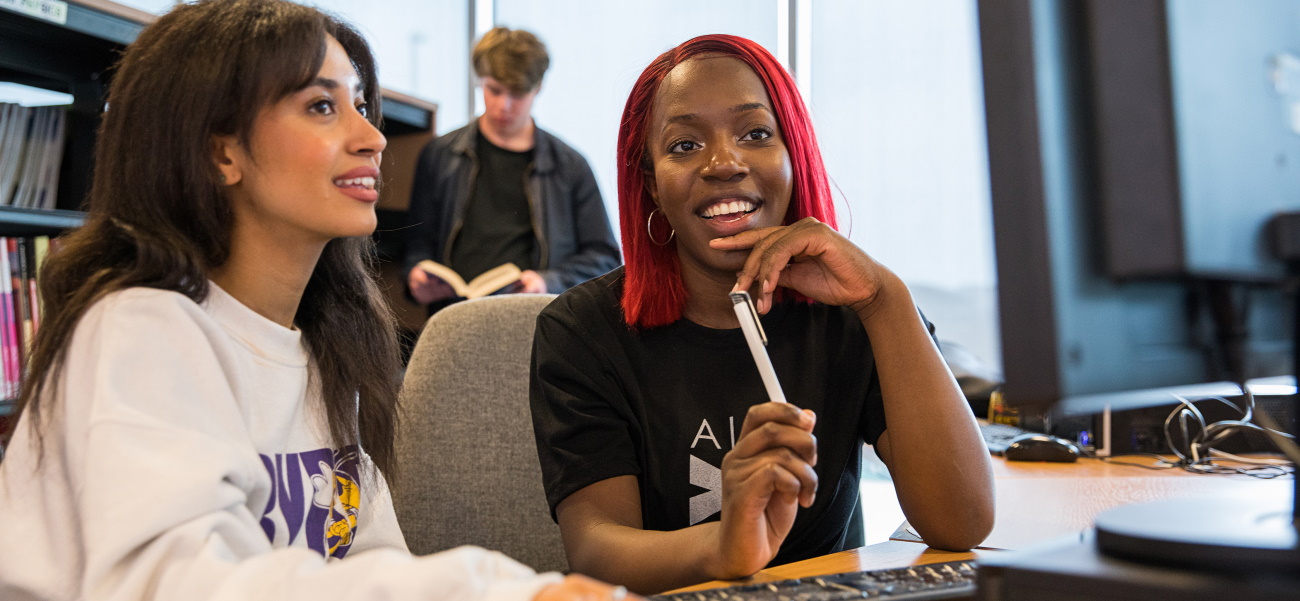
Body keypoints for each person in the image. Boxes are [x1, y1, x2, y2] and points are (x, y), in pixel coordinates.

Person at [0, 2, 628, 600]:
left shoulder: (326, 347)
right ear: (221, 151)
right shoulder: (139, 328)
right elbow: (179, 584)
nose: (372, 137)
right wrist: (497, 587)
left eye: (359, 103)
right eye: (323, 106)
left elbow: (368, 561)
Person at [529, 34, 995, 594]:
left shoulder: (851, 313)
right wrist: (725, 546)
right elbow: (597, 549)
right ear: (651, 184)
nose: (724, 164)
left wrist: (884, 300)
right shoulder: (581, 332)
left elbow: (962, 522)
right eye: (683, 146)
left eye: (756, 134)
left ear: (793, 156)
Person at [404, 27, 620, 312]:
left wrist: (549, 282)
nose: (503, 105)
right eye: (494, 90)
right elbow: (415, 243)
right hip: (453, 318)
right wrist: (415, 276)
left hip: (536, 319)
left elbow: (604, 258)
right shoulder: (441, 155)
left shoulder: (569, 166)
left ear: (538, 87)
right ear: (480, 80)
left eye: (517, 94)